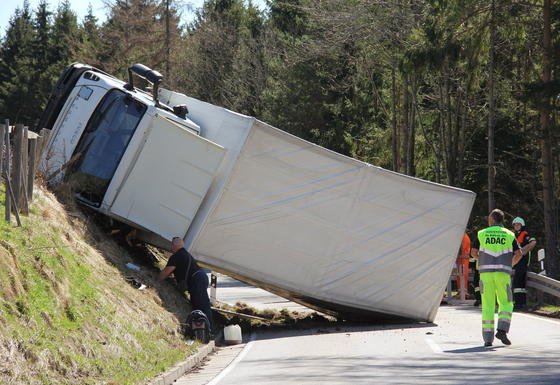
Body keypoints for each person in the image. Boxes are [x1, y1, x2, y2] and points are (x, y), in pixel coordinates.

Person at [470, 209, 523, 347]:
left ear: (493, 219)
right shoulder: (509, 234)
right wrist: (510, 264)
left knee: (488, 305)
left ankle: (488, 339)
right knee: (506, 302)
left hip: (485, 275)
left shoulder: (482, 234)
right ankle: (502, 330)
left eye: (489, 218)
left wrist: (481, 260)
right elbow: (519, 254)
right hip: (502, 273)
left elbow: (473, 252)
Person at [158, 237, 213, 330]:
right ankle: (202, 329)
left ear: (173, 245)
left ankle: (207, 330)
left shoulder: (176, 256)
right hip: (200, 276)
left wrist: (155, 280)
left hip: (197, 279)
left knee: (201, 305)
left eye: (172, 245)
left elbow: (165, 273)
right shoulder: (185, 254)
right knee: (199, 304)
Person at [511, 217, 537, 310]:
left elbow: (533, 242)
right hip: (515, 260)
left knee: (518, 281)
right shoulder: (513, 235)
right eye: (515, 224)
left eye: (518, 224)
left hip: (523, 261)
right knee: (518, 283)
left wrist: (524, 250)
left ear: (522, 225)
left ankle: (519, 304)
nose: (516, 226)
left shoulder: (525, 234)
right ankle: (520, 303)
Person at [455, 233, 471, 300]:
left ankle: (463, 293)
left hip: (461, 259)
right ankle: (462, 292)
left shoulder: (462, 236)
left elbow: (461, 249)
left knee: (462, 276)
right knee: (461, 276)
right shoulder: (463, 236)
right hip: (462, 259)